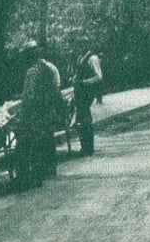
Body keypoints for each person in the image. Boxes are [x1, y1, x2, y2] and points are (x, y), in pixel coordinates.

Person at [17, 41, 63, 187]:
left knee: (25, 143)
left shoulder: (32, 72)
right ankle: (45, 171)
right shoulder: (48, 68)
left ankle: (25, 179)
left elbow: (29, 97)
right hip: (47, 111)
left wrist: (22, 115)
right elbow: (55, 89)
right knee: (43, 140)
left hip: (35, 113)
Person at [73, 52, 103, 156]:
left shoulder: (92, 58)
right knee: (80, 119)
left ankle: (89, 147)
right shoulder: (80, 57)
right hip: (80, 92)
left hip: (87, 92)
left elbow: (98, 76)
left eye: (83, 42)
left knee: (85, 118)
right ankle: (84, 147)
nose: (80, 45)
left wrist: (85, 82)